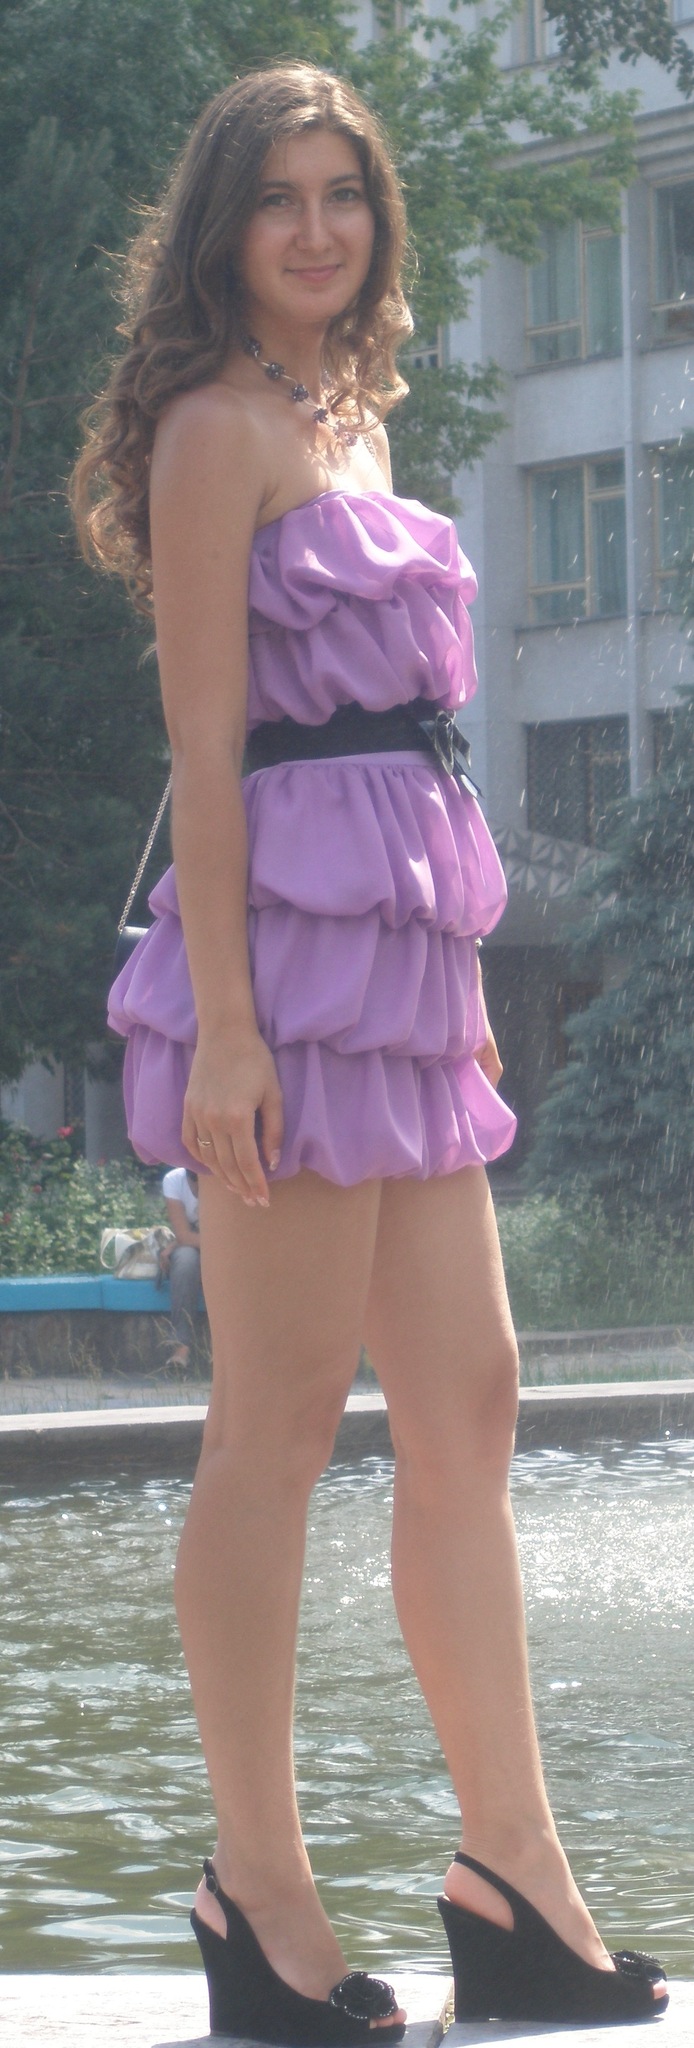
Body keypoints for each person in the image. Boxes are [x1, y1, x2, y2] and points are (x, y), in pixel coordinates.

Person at [71, 63, 667, 2036]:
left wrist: (448, 973)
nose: (316, 228)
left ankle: (511, 1867)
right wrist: (229, 1034)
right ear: (221, 227)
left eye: (344, 193)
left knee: (471, 1400)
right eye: (279, 197)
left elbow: (404, 748)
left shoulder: (353, 413)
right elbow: (208, 751)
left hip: (399, 981)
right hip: (278, 983)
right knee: (271, 1425)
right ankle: (256, 1895)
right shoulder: (210, 427)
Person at [161, 1166, 203, 1368]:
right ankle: (181, 1347)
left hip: (227, 1246)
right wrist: (180, 1241)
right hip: (194, 1246)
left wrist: (179, 1241)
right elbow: (184, 1235)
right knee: (185, 1261)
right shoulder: (173, 1180)